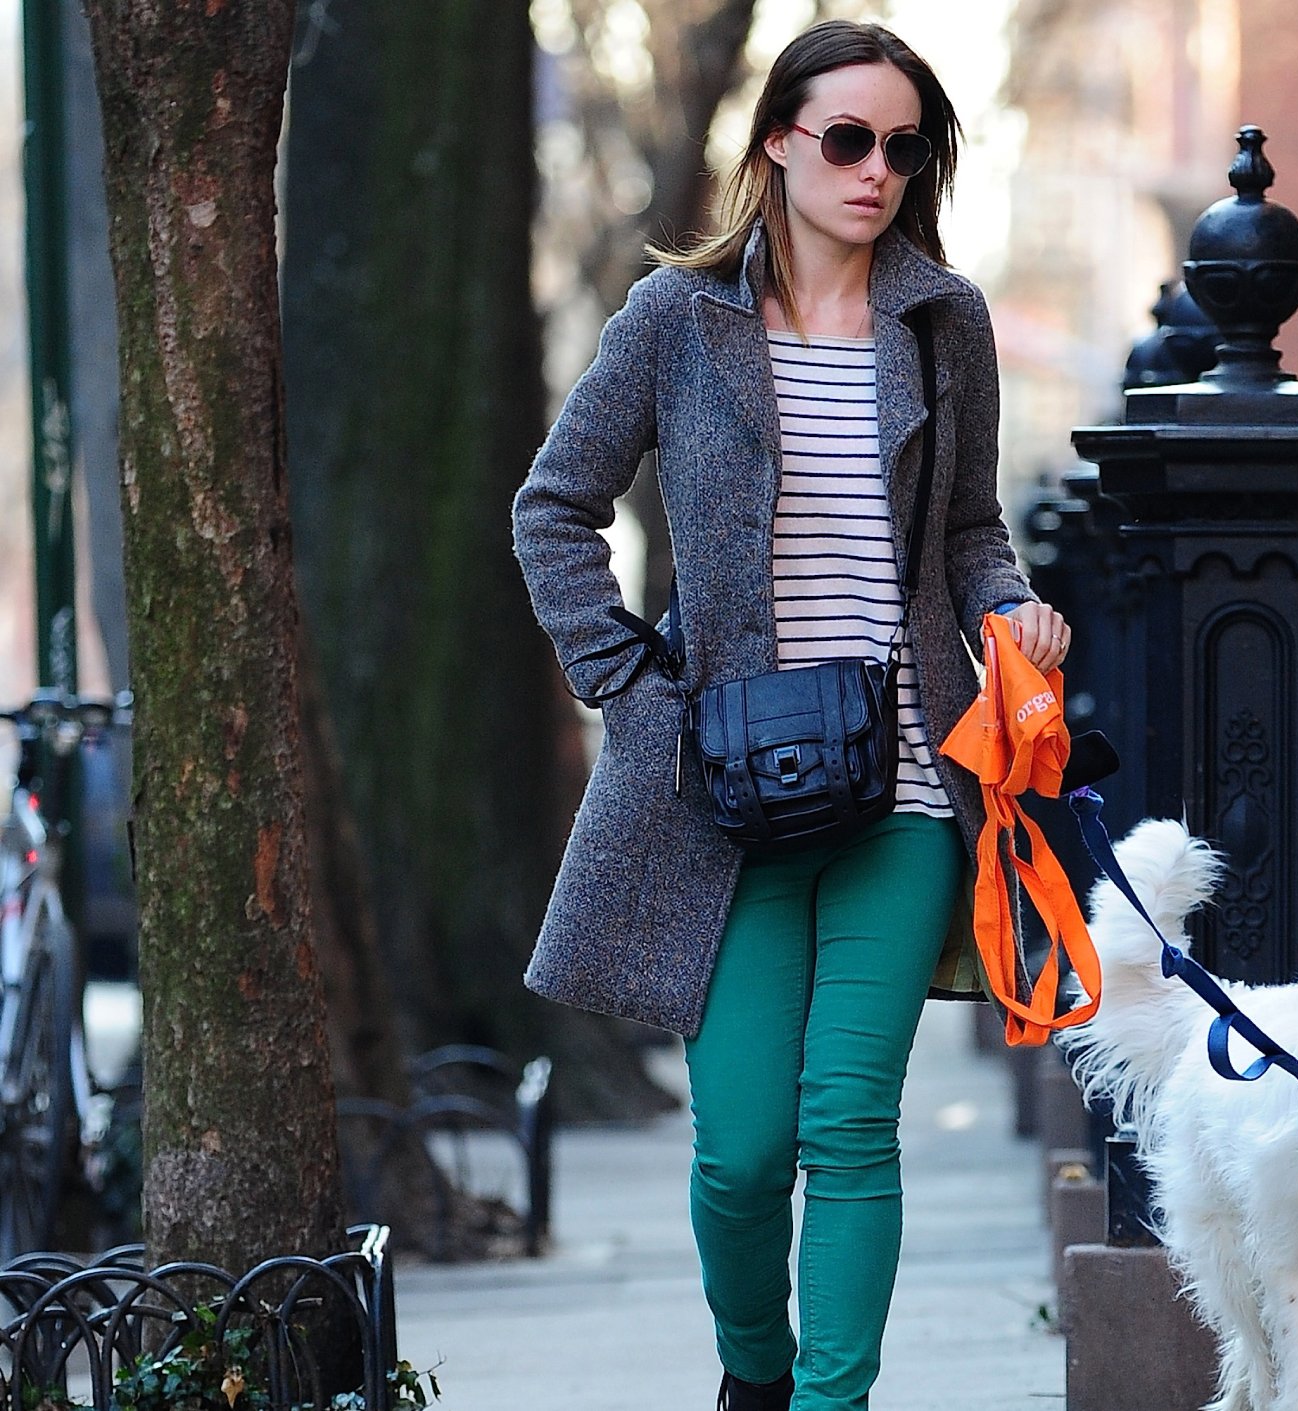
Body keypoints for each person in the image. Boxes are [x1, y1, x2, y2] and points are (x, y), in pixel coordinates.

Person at [511, 19, 1070, 1411]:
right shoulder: (677, 321)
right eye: (847, 139)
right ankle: (754, 1375)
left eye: (903, 146)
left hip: (904, 788)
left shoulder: (946, 322)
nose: (876, 170)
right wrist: (637, 694)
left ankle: (833, 1402)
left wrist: (1015, 617)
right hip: (726, 793)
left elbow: (973, 540)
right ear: (777, 141)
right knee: (744, 1150)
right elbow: (552, 512)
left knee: (848, 1125)